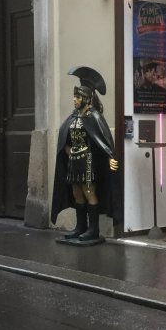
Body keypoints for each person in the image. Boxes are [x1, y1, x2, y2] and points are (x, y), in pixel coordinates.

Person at [51, 66, 119, 244]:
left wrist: (110, 157)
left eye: (78, 97)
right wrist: (67, 149)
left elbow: (104, 140)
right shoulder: (73, 117)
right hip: (73, 161)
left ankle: (93, 229)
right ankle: (80, 227)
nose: (75, 100)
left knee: (89, 191)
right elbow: (65, 136)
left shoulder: (94, 117)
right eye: (74, 96)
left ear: (87, 99)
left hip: (88, 161)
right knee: (76, 193)